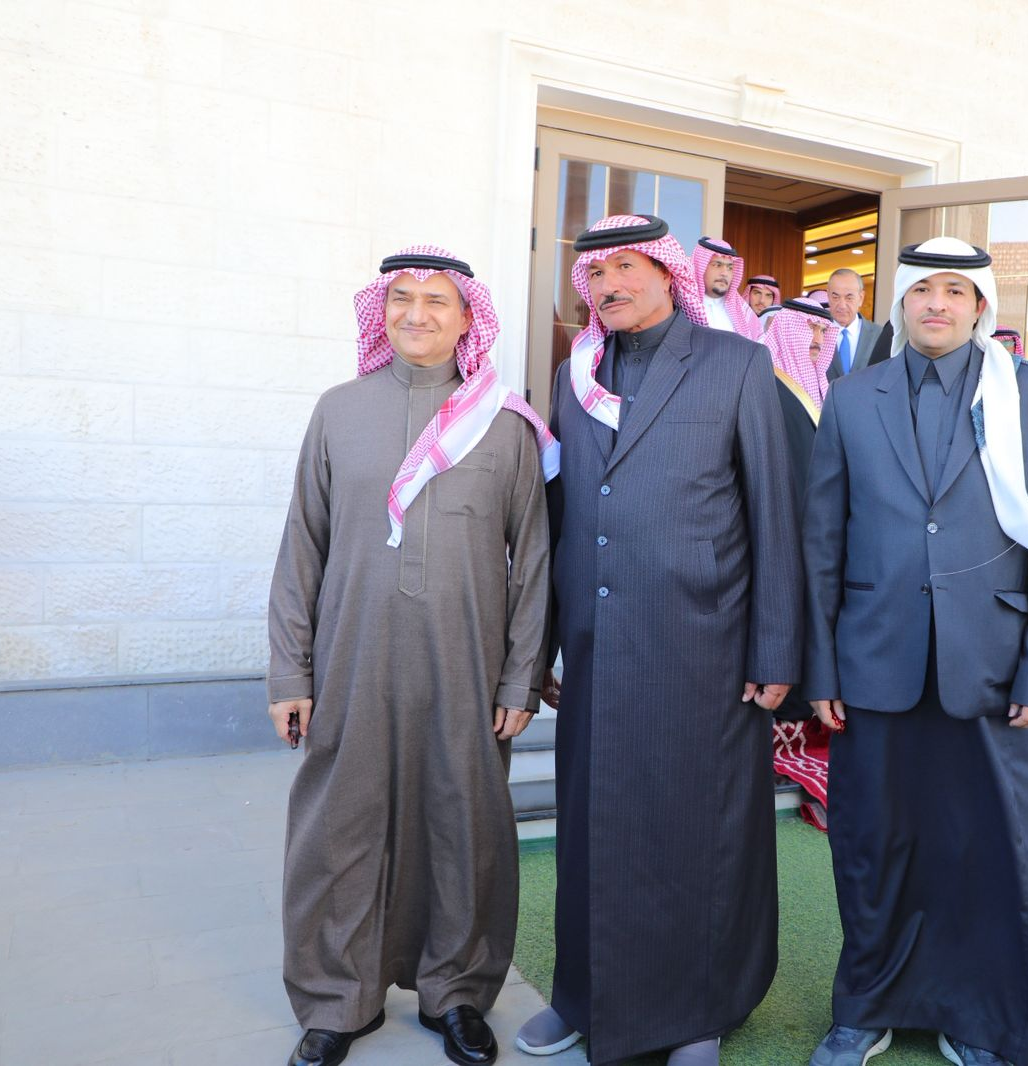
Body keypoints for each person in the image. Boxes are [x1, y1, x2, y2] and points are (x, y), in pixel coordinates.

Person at [518, 214, 803, 1065]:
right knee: (591, 830)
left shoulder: (736, 362)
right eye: (597, 275)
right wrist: (544, 644)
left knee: (694, 836)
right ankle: (583, 996)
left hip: (704, 645)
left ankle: (695, 1015)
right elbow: (560, 514)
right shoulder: (576, 373)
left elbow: (774, 512)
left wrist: (775, 647)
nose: (610, 287)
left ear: (667, 272)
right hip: (596, 646)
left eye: (627, 269)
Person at [267, 246, 555, 1066]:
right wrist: (290, 672)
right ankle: (338, 999)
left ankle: (456, 993)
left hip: (468, 666)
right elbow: (302, 548)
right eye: (401, 298)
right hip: (351, 660)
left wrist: (520, 678)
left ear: (467, 320)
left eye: (436, 300)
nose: (416, 313)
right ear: (381, 311)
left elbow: (533, 561)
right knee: (337, 829)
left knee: (464, 828)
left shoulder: (504, 423)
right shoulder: (338, 410)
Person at [802, 238, 1028, 1066]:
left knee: (989, 852)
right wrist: (820, 664)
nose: (938, 304)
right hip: (873, 660)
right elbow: (822, 540)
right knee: (871, 845)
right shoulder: (850, 397)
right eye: (924, 289)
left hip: (991, 665)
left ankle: (980, 1018)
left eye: (956, 291)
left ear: (980, 306)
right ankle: (864, 1008)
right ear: (901, 301)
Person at [763, 296, 840, 724]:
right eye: (809, 329)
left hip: (813, 530)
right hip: (777, 529)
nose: (817, 339)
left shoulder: (818, 384)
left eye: (824, 331)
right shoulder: (765, 384)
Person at [693, 235, 762, 339]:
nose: (725, 273)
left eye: (730, 268)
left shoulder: (743, 313)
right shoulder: (683, 305)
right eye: (717, 265)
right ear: (700, 266)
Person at [824, 267, 882, 380]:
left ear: (861, 298)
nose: (842, 305)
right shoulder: (816, 333)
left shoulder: (878, 335)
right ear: (828, 297)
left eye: (849, 298)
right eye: (835, 297)